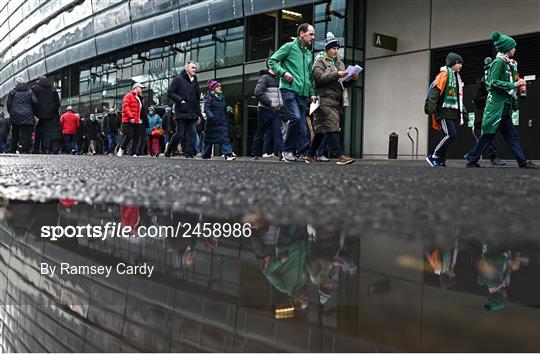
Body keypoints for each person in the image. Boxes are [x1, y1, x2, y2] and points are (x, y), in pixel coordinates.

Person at [465, 32, 535, 168]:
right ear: (506, 48)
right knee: (489, 135)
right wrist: (514, 85)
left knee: (509, 135)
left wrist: (517, 82)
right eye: (513, 47)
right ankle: (472, 158)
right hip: (496, 106)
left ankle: (522, 162)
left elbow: (508, 82)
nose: (515, 49)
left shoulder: (509, 64)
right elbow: (493, 83)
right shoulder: (498, 62)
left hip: (504, 105)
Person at [268, 23, 318, 162]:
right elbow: (272, 61)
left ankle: (297, 151)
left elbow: (309, 76)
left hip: (303, 94)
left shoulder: (308, 54)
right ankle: (287, 151)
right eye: (311, 34)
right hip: (289, 90)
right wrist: (283, 73)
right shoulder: (289, 47)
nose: (313, 37)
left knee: (302, 127)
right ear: (302, 33)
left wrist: (312, 93)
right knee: (295, 118)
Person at [306, 32, 356, 165]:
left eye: (337, 48)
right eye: (333, 48)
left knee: (321, 130)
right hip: (323, 99)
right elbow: (319, 79)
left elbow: (342, 82)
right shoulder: (319, 61)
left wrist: (351, 78)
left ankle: (310, 155)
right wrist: (336, 74)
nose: (336, 51)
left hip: (336, 100)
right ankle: (339, 156)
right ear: (327, 49)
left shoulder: (339, 62)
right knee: (333, 125)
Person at [425, 52, 465, 168]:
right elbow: (435, 91)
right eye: (458, 63)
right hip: (443, 111)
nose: (461, 65)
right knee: (451, 135)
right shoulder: (444, 75)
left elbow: (459, 98)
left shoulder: (456, 78)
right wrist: (431, 107)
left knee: (447, 135)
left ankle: (441, 160)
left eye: (461, 63)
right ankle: (434, 156)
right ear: (451, 63)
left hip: (451, 112)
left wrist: (464, 112)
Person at [471, 58, 506, 166]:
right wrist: (490, 98)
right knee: (489, 136)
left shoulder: (491, 80)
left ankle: (473, 158)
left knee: (488, 136)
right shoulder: (483, 81)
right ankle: (492, 157)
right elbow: (476, 99)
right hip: (484, 113)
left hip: (490, 111)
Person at [165, 61, 202, 158]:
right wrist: (180, 100)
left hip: (193, 113)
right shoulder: (178, 79)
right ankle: (169, 149)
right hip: (181, 111)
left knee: (192, 134)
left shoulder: (195, 82)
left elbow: (197, 100)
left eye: (195, 68)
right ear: (187, 69)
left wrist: (199, 115)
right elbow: (170, 92)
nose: (195, 69)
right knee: (180, 133)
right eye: (192, 67)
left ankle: (189, 153)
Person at [251, 61, 284, 160]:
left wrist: (280, 105)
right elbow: (257, 92)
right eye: (277, 64)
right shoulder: (264, 78)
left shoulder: (278, 79)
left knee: (278, 133)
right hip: (264, 110)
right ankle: (255, 154)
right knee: (260, 132)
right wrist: (270, 103)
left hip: (275, 111)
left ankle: (282, 154)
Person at [202, 80, 235, 160]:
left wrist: (227, 116)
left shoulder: (222, 97)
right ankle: (205, 155)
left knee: (224, 139)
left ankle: (228, 155)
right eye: (217, 86)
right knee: (209, 140)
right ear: (213, 88)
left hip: (222, 122)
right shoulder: (209, 97)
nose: (220, 87)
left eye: (220, 86)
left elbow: (224, 110)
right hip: (212, 122)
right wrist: (211, 117)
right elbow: (206, 109)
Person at [31, 76, 61, 154]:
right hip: (51, 115)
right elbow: (57, 103)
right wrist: (53, 110)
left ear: (38, 81)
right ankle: (46, 149)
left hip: (39, 115)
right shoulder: (53, 89)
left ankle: (36, 148)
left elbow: (33, 101)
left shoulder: (35, 89)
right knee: (48, 132)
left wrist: (35, 112)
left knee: (38, 131)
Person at [7, 78, 35, 153]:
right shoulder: (30, 92)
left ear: (16, 84)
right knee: (25, 134)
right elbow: (35, 102)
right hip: (27, 115)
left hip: (15, 115)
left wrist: (10, 112)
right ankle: (25, 150)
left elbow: (8, 104)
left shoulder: (12, 92)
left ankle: (12, 149)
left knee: (15, 133)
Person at [117, 83, 144, 157]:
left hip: (137, 120)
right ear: (135, 88)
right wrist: (131, 117)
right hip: (128, 120)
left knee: (136, 137)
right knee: (129, 135)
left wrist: (140, 119)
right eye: (141, 88)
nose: (142, 89)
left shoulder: (139, 98)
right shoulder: (128, 96)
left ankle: (133, 153)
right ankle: (121, 149)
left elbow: (140, 110)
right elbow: (126, 107)